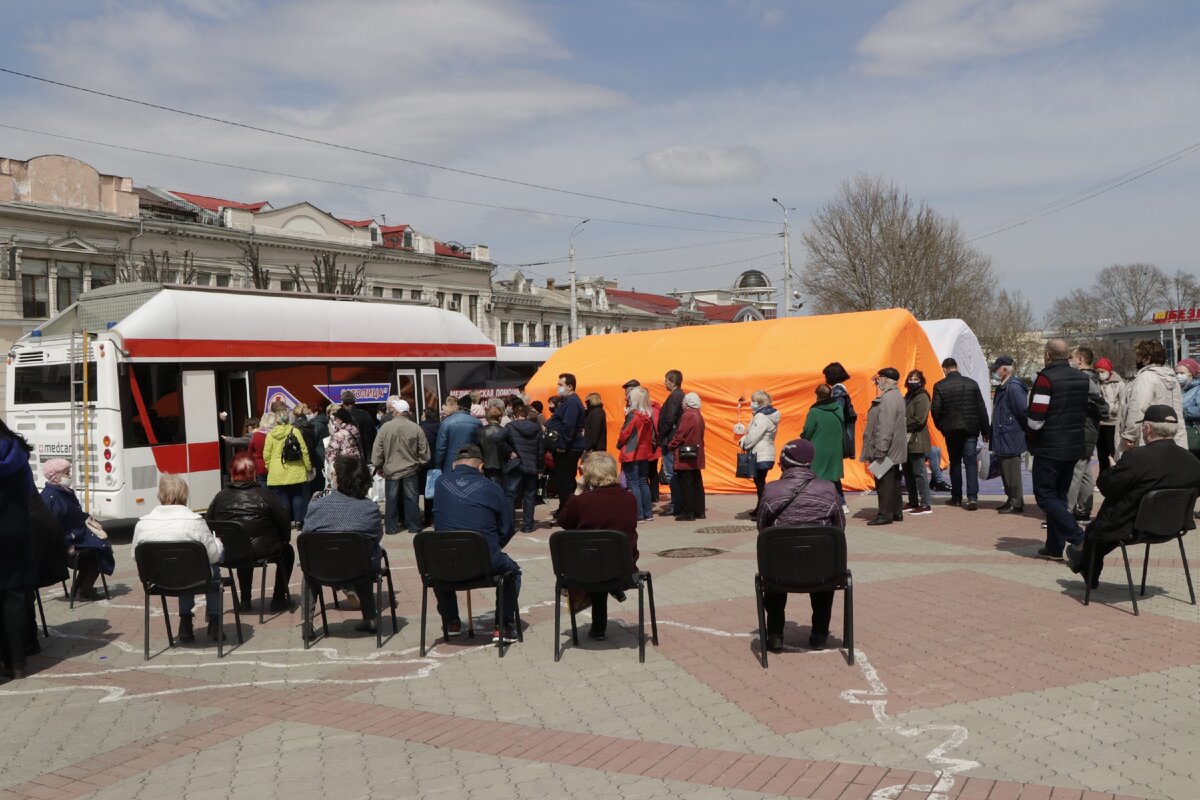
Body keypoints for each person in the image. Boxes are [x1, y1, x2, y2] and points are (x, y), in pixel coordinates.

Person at [1066, 404, 1200, 586]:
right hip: (1174, 525)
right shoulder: (1192, 461)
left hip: (1134, 527)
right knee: (1107, 529)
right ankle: (1083, 559)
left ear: (1148, 428)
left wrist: (1115, 469)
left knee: (1096, 531)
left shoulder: (1138, 457)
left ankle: (1087, 570)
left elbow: (1106, 486)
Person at [756, 438, 847, 652]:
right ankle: (820, 634)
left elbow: (762, 527)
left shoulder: (771, 490)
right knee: (823, 559)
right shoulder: (828, 488)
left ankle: (776, 634)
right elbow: (839, 527)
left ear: (783, 463)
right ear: (809, 463)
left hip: (779, 574)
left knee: (775, 558)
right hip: (822, 573)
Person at [432, 444, 522, 643]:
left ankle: (451, 620)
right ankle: (504, 625)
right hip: (485, 561)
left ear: (454, 465)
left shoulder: (440, 483)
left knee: (438, 563)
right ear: (481, 468)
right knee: (513, 572)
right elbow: (507, 527)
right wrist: (493, 546)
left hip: (447, 561)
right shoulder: (492, 487)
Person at [132, 474, 225, 643]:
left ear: (160, 495)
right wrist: (218, 544)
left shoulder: (142, 524)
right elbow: (213, 556)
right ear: (184, 495)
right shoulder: (196, 521)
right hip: (194, 576)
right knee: (209, 568)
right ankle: (215, 621)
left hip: (158, 580)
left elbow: (135, 556)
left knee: (182, 567)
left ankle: (185, 623)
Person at [557, 452, 639, 641]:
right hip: (623, 567)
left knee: (593, 559)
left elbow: (564, 522)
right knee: (603, 559)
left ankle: (598, 627)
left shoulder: (582, 501)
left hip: (587, 569)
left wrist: (577, 490)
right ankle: (610, 598)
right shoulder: (629, 499)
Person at [303, 456, 385, 634]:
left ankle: (306, 622)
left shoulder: (317, 506)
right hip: (359, 570)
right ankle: (370, 618)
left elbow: (305, 537)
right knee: (364, 553)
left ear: (338, 479)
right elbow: (377, 536)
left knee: (309, 567)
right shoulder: (369, 509)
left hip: (321, 570)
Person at [1027, 339, 1091, 559]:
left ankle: (1078, 537)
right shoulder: (1082, 378)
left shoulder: (1046, 379)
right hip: (1074, 445)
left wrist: (1030, 435)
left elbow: (1036, 418)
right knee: (1059, 496)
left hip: (1050, 446)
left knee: (1045, 496)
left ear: (1047, 355)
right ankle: (1054, 547)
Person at [206, 454, 295, 612]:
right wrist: (283, 539)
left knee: (241, 548)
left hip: (232, 552)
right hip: (263, 549)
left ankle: (245, 600)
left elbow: (208, 524)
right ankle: (279, 598)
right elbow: (284, 521)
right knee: (287, 551)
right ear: (253, 473)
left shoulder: (219, 497)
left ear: (232, 474)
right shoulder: (266, 495)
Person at [39, 459, 116, 599]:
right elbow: (52, 526)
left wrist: (89, 519)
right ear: (56, 476)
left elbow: (74, 514)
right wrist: (67, 544)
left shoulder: (63, 491)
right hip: (68, 541)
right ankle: (84, 589)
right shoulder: (51, 496)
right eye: (66, 473)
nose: (70, 476)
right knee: (101, 549)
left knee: (100, 545)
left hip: (77, 535)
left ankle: (80, 587)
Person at [1, 417, 37, 679]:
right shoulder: (16, 450)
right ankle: (17, 664)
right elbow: (28, 490)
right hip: (15, 528)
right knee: (14, 597)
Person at [930, 357, 990, 511]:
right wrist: (985, 431)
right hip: (971, 429)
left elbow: (935, 410)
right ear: (957, 367)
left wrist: (941, 427)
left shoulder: (939, 386)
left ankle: (956, 497)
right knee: (970, 463)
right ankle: (972, 497)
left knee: (955, 463)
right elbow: (981, 409)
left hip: (951, 431)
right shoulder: (972, 384)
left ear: (944, 369)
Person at [371, 398, 431, 535]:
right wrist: (420, 463)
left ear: (397, 411)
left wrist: (379, 465)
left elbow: (377, 451)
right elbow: (425, 453)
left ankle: (391, 528)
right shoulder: (416, 428)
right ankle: (414, 527)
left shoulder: (385, 428)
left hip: (391, 470)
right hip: (411, 470)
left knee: (391, 500)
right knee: (411, 499)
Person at [1118, 339, 1187, 453]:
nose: (1136, 360)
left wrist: (1130, 435)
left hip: (1148, 438)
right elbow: (1178, 412)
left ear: (1147, 359)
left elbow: (1138, 408)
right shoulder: (1173, 379)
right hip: (1172, 437)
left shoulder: (1146, 377)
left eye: (1138, 356)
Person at [1067, 347, 1109, 521]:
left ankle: (1066, 511)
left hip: (1082, 429)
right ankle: (1083, 509)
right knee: (1084, 471)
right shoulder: (1093, 379)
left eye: (1072, 357)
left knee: (1075, 471)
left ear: (1080, 360)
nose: (1069, 360)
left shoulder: (1082, 379)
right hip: (1089, 429)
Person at [862, 368, 907, 525]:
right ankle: (896, 511)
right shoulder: (896, 396)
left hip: (886, 449)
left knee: (884, 483)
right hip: (893, 448)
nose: (877, 381)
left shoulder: (888, 398)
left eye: (879, 378)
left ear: (886, 379)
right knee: (893, 481)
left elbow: (885, 427)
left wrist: (880, 449)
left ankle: (885, 514)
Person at [989, 356, 1029, 514]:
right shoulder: (1003, 386)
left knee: (1011, 471)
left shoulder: (1013, 387)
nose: (994, 372)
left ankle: (1016, 502)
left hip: (1010, 436)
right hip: (1003, 434)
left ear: (1004, 370)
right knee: (1005, 470)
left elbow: (1022, 412)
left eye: (996, 369)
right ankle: (1011, 498)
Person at [545, 373, 586, 516]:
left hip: (569, 447)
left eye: (560, 385)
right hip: (567, 446)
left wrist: (562, 445)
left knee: (564, 482)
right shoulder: (568, 401)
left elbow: (569, 427)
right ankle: (565, 508)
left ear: (569, 386)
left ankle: (567, 512)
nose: (558, 388)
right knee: (564, 481)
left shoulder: (572, 402)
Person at [262, 408, 313, 525]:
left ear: (276, 420)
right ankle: (299, 521)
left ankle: (286, 522)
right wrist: (307, 466)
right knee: (297, 495)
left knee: (282, 497)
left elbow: (266, 455)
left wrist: (270, 468)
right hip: (296, 469)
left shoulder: (270, 435)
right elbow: (304, 450)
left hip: (277, 471)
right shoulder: (295, 431)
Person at [502, 406, 546, 532]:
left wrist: (510, 451)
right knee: (530, 496)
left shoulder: (510, 427)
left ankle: (509, 525)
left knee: (511, 495)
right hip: (531, 465)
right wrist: (541, 467)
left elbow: (496, 438)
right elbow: (540, 450)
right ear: (526, 415)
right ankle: (527, 525)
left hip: (516, 464)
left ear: (514, 415)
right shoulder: (536, 428)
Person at [617, 386, 657, 523]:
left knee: (634, 483)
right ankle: (648, 513)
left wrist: (619, 443)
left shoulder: (633, 415)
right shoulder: (648, 415)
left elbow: (625, 434)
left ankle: (638, 514)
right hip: (643, 453)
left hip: (631, 452)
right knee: (643, 482)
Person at [739, 390, 780, 518]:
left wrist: (743, 443)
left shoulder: (761, 417)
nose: (751, 404)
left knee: (760, 483)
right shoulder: (769, 415)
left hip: (760, 453)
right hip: (766, 452)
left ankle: (763, 510)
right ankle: (760, 507)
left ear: (760, 402)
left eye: (753, 401)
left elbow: (754, 436)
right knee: (760, 482)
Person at [822, 362, 857, 509]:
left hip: (836, 436)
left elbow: (837, 412)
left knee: (831, 470)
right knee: (832, 470)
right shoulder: (841, 390)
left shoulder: (837, 392)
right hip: (840, 434)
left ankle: (841, 502)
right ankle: (839, 502)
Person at [668, 392, 707, 521]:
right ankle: (699, 510)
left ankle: (688, 512)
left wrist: (671, 445)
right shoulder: (698, 415)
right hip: (697, 452)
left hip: (686, 454)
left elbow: (680, 434)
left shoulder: (688, 415)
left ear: (687, 403)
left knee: (686, 484)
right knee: (696, 482)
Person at [800, 384, 845, 493]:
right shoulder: (838, 408)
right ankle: (841, 502)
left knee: (818, 477)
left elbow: (808, 431)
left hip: (818, 449)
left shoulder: (814, 411)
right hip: (836, 449)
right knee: (834, 477)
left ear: (817, 395)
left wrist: (803, 439)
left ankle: (820, 502)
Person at [901, 370, 933, 515]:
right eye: (910, 378)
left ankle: (926, 504)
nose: (912, 381)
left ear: (921, 381)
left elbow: (919, 420)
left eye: (915, 379)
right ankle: (913, 501)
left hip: (917, 439)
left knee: (919, 472)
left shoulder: (922, 397)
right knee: (907, 472)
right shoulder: (908, 396)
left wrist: (901, 423)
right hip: (906, 440)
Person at [657, 370, 686, 515]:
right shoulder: (679, 395)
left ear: (672, 382)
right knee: (673, 473)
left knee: (671, 473)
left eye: (666, 380)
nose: (664, 383)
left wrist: (659, 436)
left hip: (669, 440)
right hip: (671, 439)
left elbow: (668, 419)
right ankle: (677, 502)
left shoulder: (675, 396)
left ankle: (676, 504)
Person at [434, 395, 481, 474]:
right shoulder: (477, 422)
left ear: (458, 406)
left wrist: (438, 465)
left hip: (450, 464)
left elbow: (441, 448)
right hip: (470, 463)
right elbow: (478, 444)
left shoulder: (447, 422)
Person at [1095, 357, 1125, 474]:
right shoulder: (1096, 383)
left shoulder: (1119, 383)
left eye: (1102, 371)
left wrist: (1109, 409)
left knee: (1114, 452)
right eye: (1097, 371)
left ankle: (1115, 475)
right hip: (1100, 423)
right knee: (1101, 454)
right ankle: (1103, 477)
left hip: (1113, 423)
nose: (1100, 374)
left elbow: (1122, 403)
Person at [477, 404, 513, 487]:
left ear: (487, 418)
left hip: (485, 467)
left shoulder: (480, 431)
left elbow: (477, 449)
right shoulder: (505, 431)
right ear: (500, 418)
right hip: (502, 467)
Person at [326, 406, 364, 480]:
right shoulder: (354, 430)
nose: (334, 421)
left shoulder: (339, 434)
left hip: (344, 466)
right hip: (356, 464)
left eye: (336, 419)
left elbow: (330, 453)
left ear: (340, 420)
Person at [340, 390, 378, 462]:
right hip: (370, 456)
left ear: (342, 402)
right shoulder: (366, 414)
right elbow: (374, 433)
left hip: (354, 459)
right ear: (354, 401)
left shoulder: (343, 417)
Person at [418, 407, 441, 526]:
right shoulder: (442, 426)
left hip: (426, 464)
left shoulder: (422, 429)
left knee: (427, 493)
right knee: (437, 492)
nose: (421, 415)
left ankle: (428, 519)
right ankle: (436, 518)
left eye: (423, 413)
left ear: (426, 415)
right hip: (439, 463)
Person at [1176, 358, 1200, 462]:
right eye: (1176, 373)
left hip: (1192, 433)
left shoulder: (1197, 389)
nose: (1178, 376)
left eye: (1182, 373)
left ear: (1191, 374)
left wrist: (1183, 412)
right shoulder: (1176, 389)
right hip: (1178, 434)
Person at [248, 413, 275, 484]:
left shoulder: (256, 435)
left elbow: (249, 453)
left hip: (260, 467)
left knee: (263, 491)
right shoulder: (276, 435)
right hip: (275, 466)